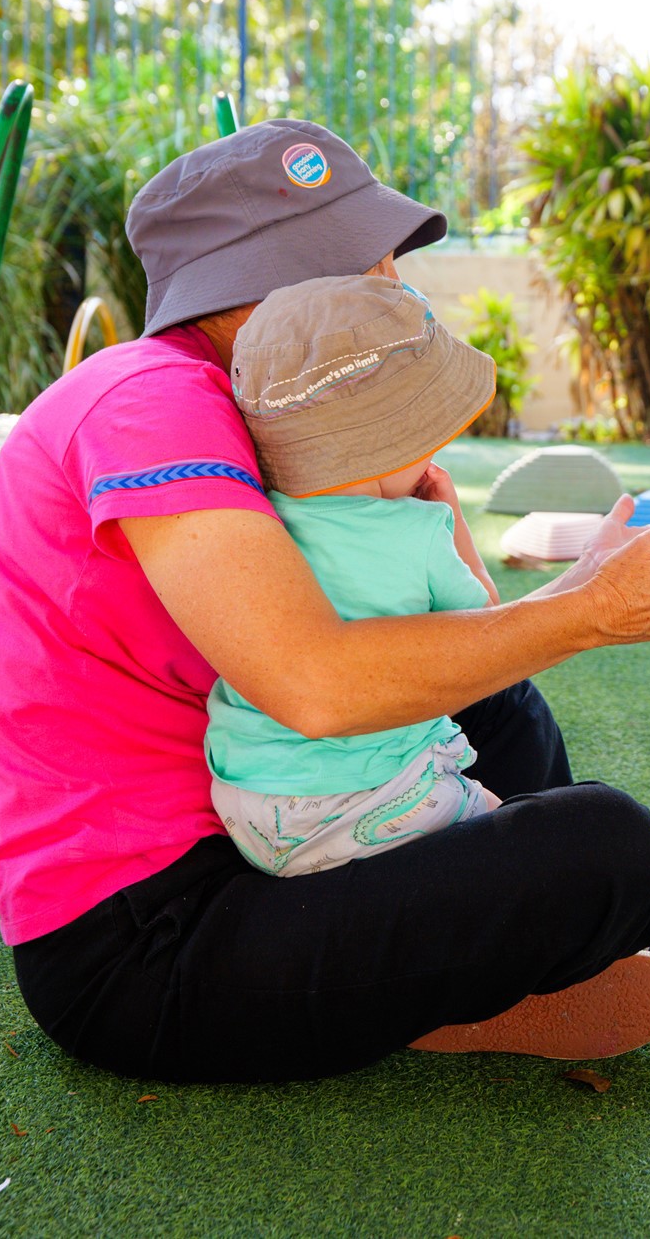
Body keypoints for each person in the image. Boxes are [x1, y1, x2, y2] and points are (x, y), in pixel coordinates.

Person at [0, 120, 650, 1083]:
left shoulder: (244, 396)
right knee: (608, 843)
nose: (395, 289)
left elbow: (414, 637)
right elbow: (314, 685)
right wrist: (591, 609)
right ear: (264, 282)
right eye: (366, 264)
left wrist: (576, 585)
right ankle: (464, 981)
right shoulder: (151, 400)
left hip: (270, 836)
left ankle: (466, 970)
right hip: (145, 944)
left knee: (501, 704)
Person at [205, 274, 508, 877]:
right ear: (394, 444)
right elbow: (488, 627)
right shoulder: (418, 530)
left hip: (246, 804)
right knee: (512, 829)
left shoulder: (256, 517)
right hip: (366, 798)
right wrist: (451, 520)